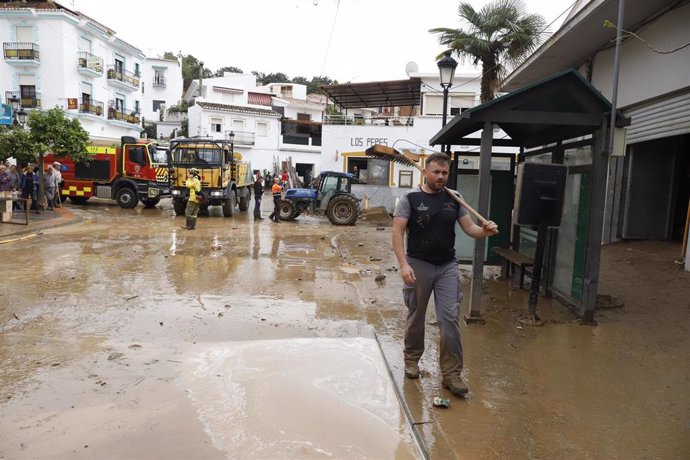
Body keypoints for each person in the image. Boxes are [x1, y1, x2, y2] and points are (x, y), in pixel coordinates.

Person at [391, 152, 498, 398]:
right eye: (436, 172)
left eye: (445, 172)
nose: (440, 176)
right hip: (418, 263)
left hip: (447, 265)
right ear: (425, 172)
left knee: (449, 318)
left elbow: (470, 228)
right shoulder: (410, 199)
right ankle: (411, 360)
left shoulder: (454, 198)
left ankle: (451, 374)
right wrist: (403, 264)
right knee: (416, 315)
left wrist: (485, 231)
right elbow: (397, 233)